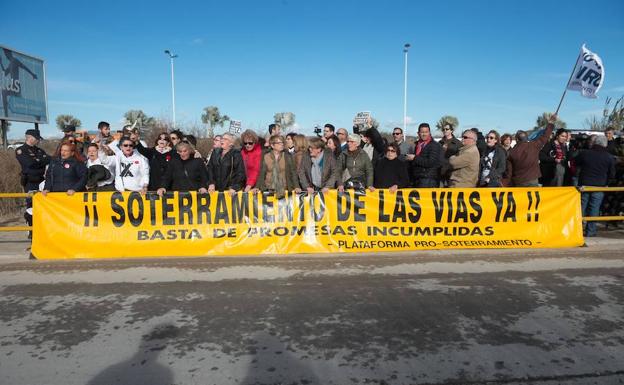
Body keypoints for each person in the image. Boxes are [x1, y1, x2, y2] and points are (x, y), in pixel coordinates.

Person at [574, 135, 616, 237]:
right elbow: (612, 174)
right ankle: (590, 231)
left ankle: (577, 230)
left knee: (581, 207)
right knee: (594, 208)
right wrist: (606, 182)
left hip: (584, 185)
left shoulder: (584, 153)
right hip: (599, 186)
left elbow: (575, 163)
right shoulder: (609, 157)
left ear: (594, 143)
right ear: (605, 144)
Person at [506, 114, 557, 187]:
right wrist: (551, 123)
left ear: (517, 139)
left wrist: (507, 184)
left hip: (517, 182)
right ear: (527, 138)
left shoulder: (511, 152)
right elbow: (545, 136)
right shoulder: (534, 145)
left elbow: (509, 172)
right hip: (532, 180)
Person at [15, 129, 49, 232]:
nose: (38, 141)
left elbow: (49, 159)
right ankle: (31, 230)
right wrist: (40, 162)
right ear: (29, 137)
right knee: (31, 206)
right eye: (37, 139)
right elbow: (29, 164)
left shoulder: (39, 150)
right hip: (30, 182)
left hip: (41, 181)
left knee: (42, 205)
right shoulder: (21, 150)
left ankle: (40, 229)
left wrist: (38, 162)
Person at [409, 123, 443, 188]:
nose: (424, 134)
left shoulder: (434, 145)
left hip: (429, 179)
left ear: (429, 132)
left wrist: (414, 158)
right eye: (422, 132)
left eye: (426, 132)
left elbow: (431, 162)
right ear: (418, 133)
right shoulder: (418, 144)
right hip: (418, 177)